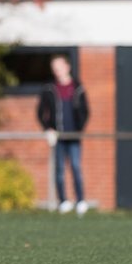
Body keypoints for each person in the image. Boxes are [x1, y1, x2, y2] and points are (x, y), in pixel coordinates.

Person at [37, 54, 90, 215]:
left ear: (67, 67)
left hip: (73, 136)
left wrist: (80, 129)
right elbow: (40, 112)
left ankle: (81, 201)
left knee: (75, 167)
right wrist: (48, 129)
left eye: (59, 67)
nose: (57, 71)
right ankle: (63, 201)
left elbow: (85, 111)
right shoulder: (49, 89)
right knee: (59, 169)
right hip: (58, 137)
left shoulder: (77, 88)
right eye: (54, 68)